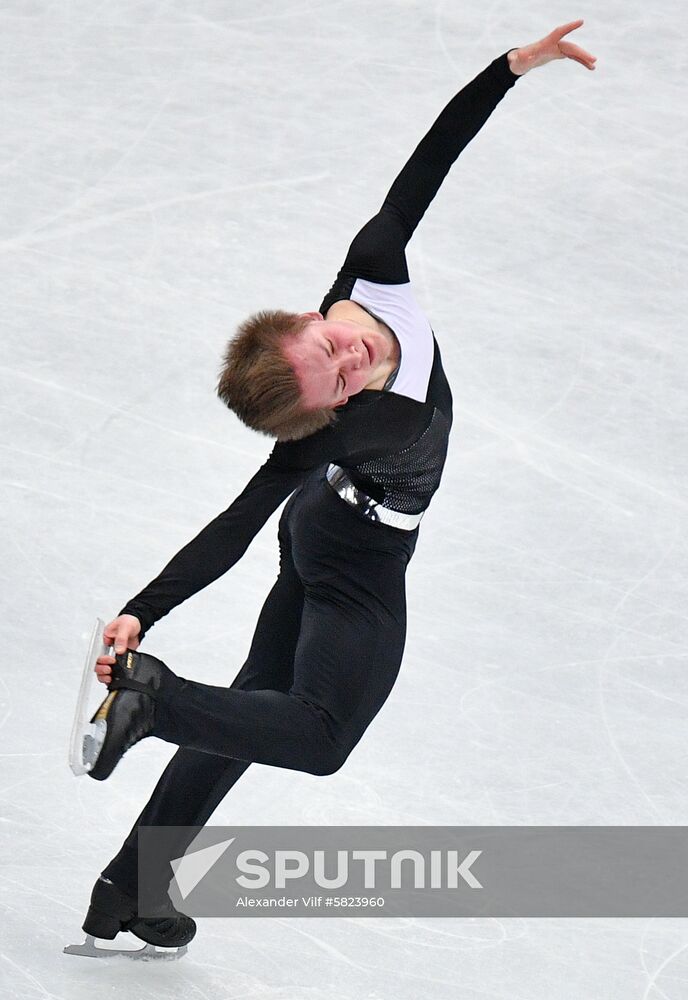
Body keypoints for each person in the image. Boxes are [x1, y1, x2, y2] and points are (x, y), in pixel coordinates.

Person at [77, 21, 597, 952]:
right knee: (316, 737)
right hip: (357, 553)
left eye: (332, 350)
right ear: (328, 415)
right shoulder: (326, 433)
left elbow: (428, 161)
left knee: (257, 712)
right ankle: (154, 704)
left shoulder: (372, 266)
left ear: (306, 317)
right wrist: (141, 613)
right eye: (342, 385)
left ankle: (130, 890)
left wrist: (512, 68)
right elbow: (237, 521)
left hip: (325, 529)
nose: (353, 360)